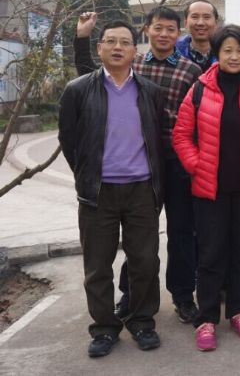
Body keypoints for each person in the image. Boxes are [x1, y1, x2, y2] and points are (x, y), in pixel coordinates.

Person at [74, 8, 203, 325]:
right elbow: (90, 78)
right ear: (146, 31)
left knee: (181, 232)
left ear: (178, 34)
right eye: (158, 28)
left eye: (170, 29)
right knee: (139, 240)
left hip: (177, 163)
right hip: (143, 162)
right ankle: (130, 295)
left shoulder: (191, 70)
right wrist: (82, 38)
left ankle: (183, 295)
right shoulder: (134, 63)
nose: (164, 34)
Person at [172, 24, 240, 351]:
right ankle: (206, 318)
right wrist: (196, 166)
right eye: (228, 50)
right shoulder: (199, 90)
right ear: (217, 54)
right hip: (210, 189)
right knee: (210, 254)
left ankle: (238, 311)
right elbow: (182, 135)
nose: (234, 56)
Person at [59, 20, 164, 358]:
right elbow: (69, 140)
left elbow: (158, 139)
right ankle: (104, 328)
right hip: (98, 193)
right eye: (111, 41)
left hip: (141, 189)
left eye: (125, 42)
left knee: (145, 261)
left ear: (135, 50)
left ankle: (142, 322)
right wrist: (87, 175)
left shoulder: (150, 91)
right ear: (99, 48)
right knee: (97, 265)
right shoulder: (78, 90)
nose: (118, 47)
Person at [177, 0, 220, 71]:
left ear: (216, 23)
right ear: (186, 23)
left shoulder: (227, 53)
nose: (201, 23)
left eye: (207, 17)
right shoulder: (173, 52)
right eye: (195, 17)